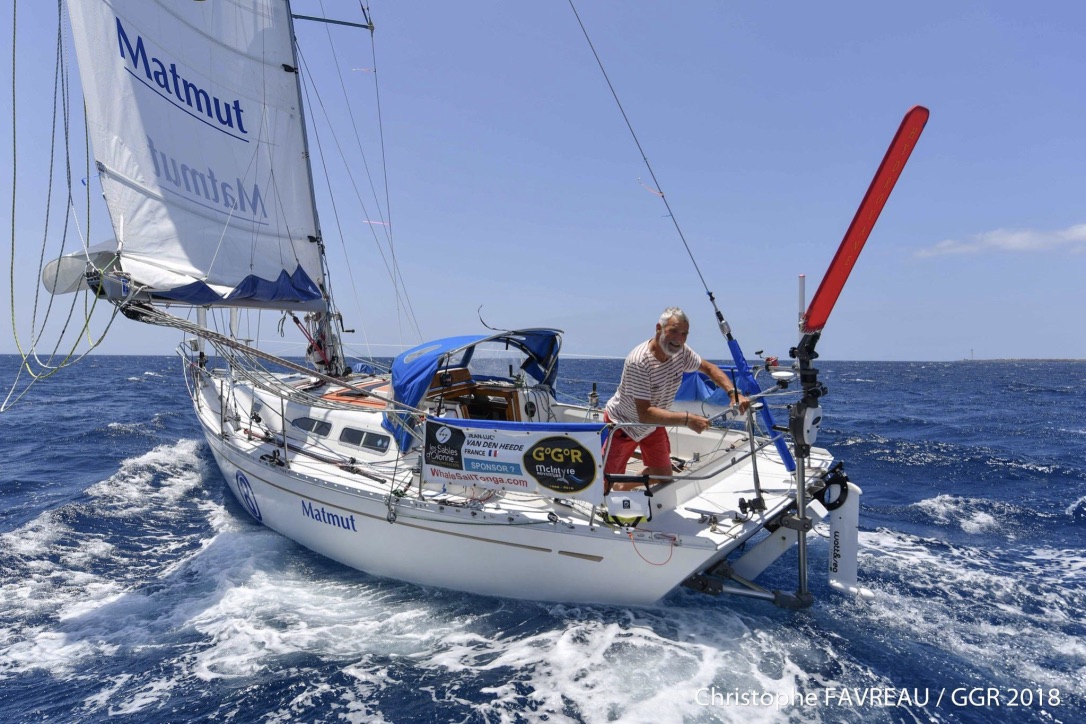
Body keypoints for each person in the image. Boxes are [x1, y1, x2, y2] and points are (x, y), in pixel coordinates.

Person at [603, 307, 749, 488]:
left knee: (663, 476)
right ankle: (612, 485)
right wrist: (687, 419)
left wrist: (732, 392)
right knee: (604, 483)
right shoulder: (639, 361)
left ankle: (621, 486)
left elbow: (709, 368)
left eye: (684, 334)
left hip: (653, 424)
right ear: (659, 328)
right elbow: (645, 414)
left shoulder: (681, 352)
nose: (679, 339)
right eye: (673, 331)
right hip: (624, 424)